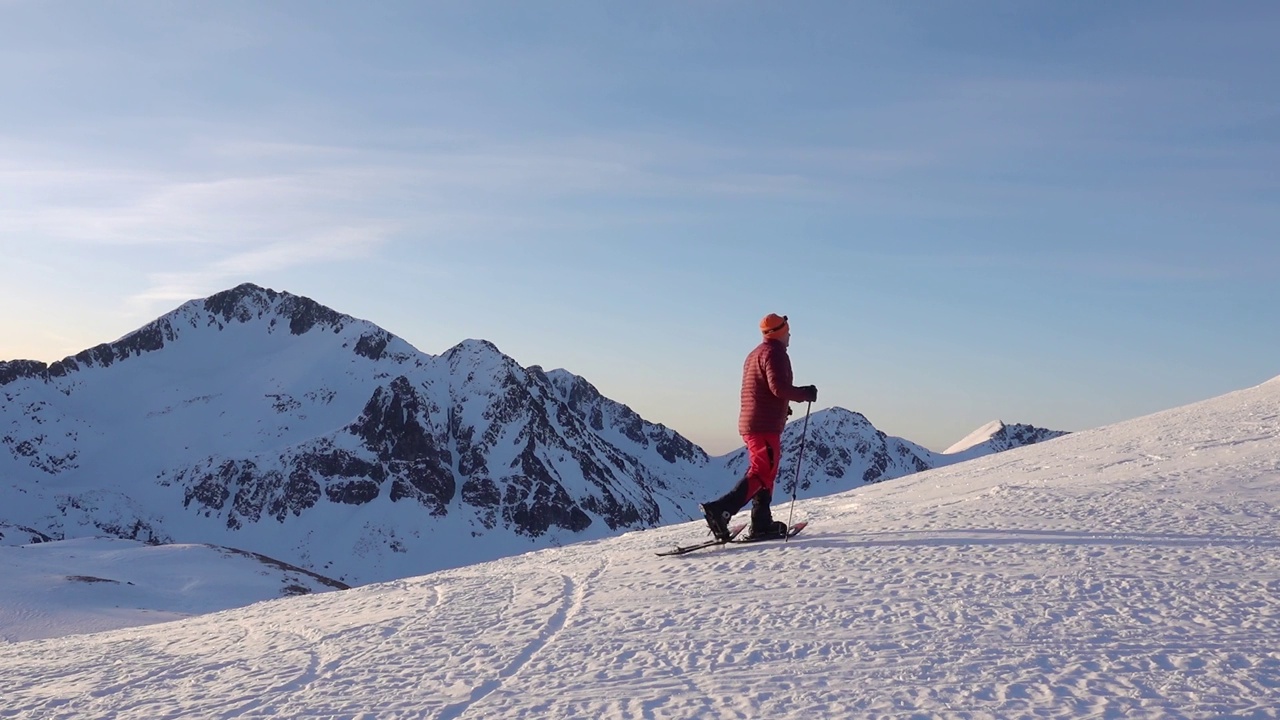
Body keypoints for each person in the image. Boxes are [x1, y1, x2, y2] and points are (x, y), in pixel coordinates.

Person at [701, 313, 817, 542]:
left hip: (754, 422)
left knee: (765, 472)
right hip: (763, 426)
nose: (790, 334)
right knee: (762, 472)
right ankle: (721, 511)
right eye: (788, 330)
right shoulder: (775, 353)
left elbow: (761, 390)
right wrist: (804, 394)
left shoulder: (756, 353)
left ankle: (762, 521)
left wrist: (781, 408)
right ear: (781, 332)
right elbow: (778, 387)